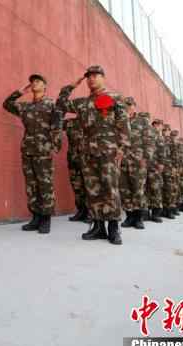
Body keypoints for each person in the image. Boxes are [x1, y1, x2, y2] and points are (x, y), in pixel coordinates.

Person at [57, 65, 131, 245]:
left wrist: (122, 148)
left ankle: (114, 228)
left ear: (103, 78)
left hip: (109, 151)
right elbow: (60, 104)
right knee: (92, 189)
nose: (92, 79)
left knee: (110, 188)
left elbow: (124, 124)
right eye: (89, 76)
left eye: (96, 76)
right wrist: (71, 86)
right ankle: (98, 227)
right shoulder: (82, 103)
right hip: (87, 151)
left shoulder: (114, 98)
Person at [3, 74, 61, 234]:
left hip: (43, 150)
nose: (34, 84)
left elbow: (57, 126)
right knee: (31, 184)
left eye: (38, 81)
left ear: (45, 86)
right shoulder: (26, 107)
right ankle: (35, 217)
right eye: (32, 82)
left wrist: (54, 146)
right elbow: (7, 104)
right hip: (27, 149)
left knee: (45, 183)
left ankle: (46, 218)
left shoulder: (51, 104)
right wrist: (19, 92)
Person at [119, 98, 150, 230]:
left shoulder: (142, 121)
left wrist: (146, 157)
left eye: (130, 105)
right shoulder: (120, 120)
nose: (128, 108)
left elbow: (149, 140)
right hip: (123, 161)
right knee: (124, 189)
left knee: (138, 189)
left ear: (134, 107)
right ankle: (129, 216)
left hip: (138, 161)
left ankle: (138, 218)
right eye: (126, 106)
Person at [65, 115, 90, 222]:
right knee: (77, 186)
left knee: (89, 186)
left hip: (87, 160)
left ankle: (91, 213)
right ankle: (81, 211)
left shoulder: (91, 119)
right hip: (73, 159)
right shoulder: (70, 123)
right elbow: (54, 124)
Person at [146, 118, 166, 223]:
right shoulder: (151, 134)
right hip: (147, 165)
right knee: (147, 189)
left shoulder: (159, 136)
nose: (160, 127)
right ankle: (147, 213)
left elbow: (162, 151)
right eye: (159, 125)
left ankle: (156, 213)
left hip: (155, 166)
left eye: (161, 125)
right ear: (155, 125)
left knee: (156, 188)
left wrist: (161, 163)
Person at [161, 124, 178, 219]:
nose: (165, 131)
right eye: (164, 130)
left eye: (167, 130)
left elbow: (174, 155)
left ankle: (170, 210)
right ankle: (163, 210)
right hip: (160, 167)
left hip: (169, 167)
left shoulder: (171, 141)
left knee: (169, 189)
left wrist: (174, 167)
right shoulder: (159, 138)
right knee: (162, 188)